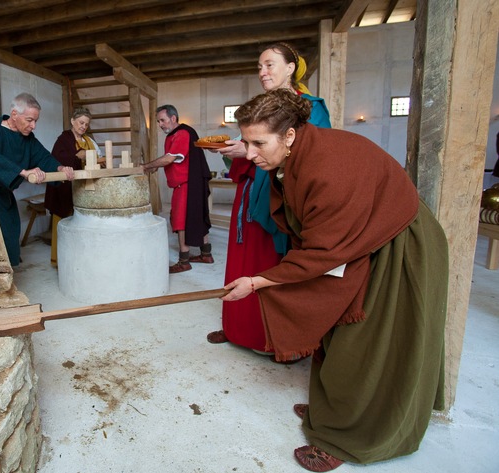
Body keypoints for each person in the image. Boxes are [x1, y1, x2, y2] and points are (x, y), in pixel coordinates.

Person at [221, 89, 448, 471]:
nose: (250, 151)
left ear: (289, 136)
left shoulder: (328, 169)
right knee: (332, 330)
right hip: (354, 238)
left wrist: (258, 281)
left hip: (394, 244)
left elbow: (323, 252)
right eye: (246, 141)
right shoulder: (298, 153)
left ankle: (348, 437)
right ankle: (332, 409)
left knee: (363, 341)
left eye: (259, 143)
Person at [207, 43, 331, 359]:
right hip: (250, 194)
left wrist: (252, 150)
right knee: (240, 258)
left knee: (272, 266)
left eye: (270, 65)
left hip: (281, 199)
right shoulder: (260, 106)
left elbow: (312, 156)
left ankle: (273, 339)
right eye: (259, 66)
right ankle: (237, 328)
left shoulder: (312, 107)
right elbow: (257, 147)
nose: (263, 72)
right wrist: (239, 150)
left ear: (291, 67)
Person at [0, 92, 75, 267]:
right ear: (14, 115)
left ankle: (6, 271)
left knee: (11, 230)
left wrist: (60, 168)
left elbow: (43, 157)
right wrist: (23, 172)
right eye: (29, 120)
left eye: (36, 121)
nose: (33, 126)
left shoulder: (28, 139)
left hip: (2, 191)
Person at [142, 105, 213, 273]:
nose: (160, 124)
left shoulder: (181, 133)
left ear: (173, 118)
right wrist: (154, 166)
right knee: (199, 216)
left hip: (186, 184)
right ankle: (206, 254)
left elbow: (170, 158)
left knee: (180, 220)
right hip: (192, 182)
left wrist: (147, 166)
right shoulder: (181, 133)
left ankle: (184, 260)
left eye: (162, 120)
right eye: (158, 121)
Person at [45, 107, 103, 267]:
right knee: (62, 223)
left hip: (82, 187)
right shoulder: (63, 139)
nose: (83, 126)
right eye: (81, 122)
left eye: (86, 124)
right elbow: (56, 159)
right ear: (72, 121)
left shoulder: (89, 141)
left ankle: (78, 259)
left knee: (80, 223)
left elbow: (99, 156)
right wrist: (76, 156)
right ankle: (59, 261)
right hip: (64, 187)